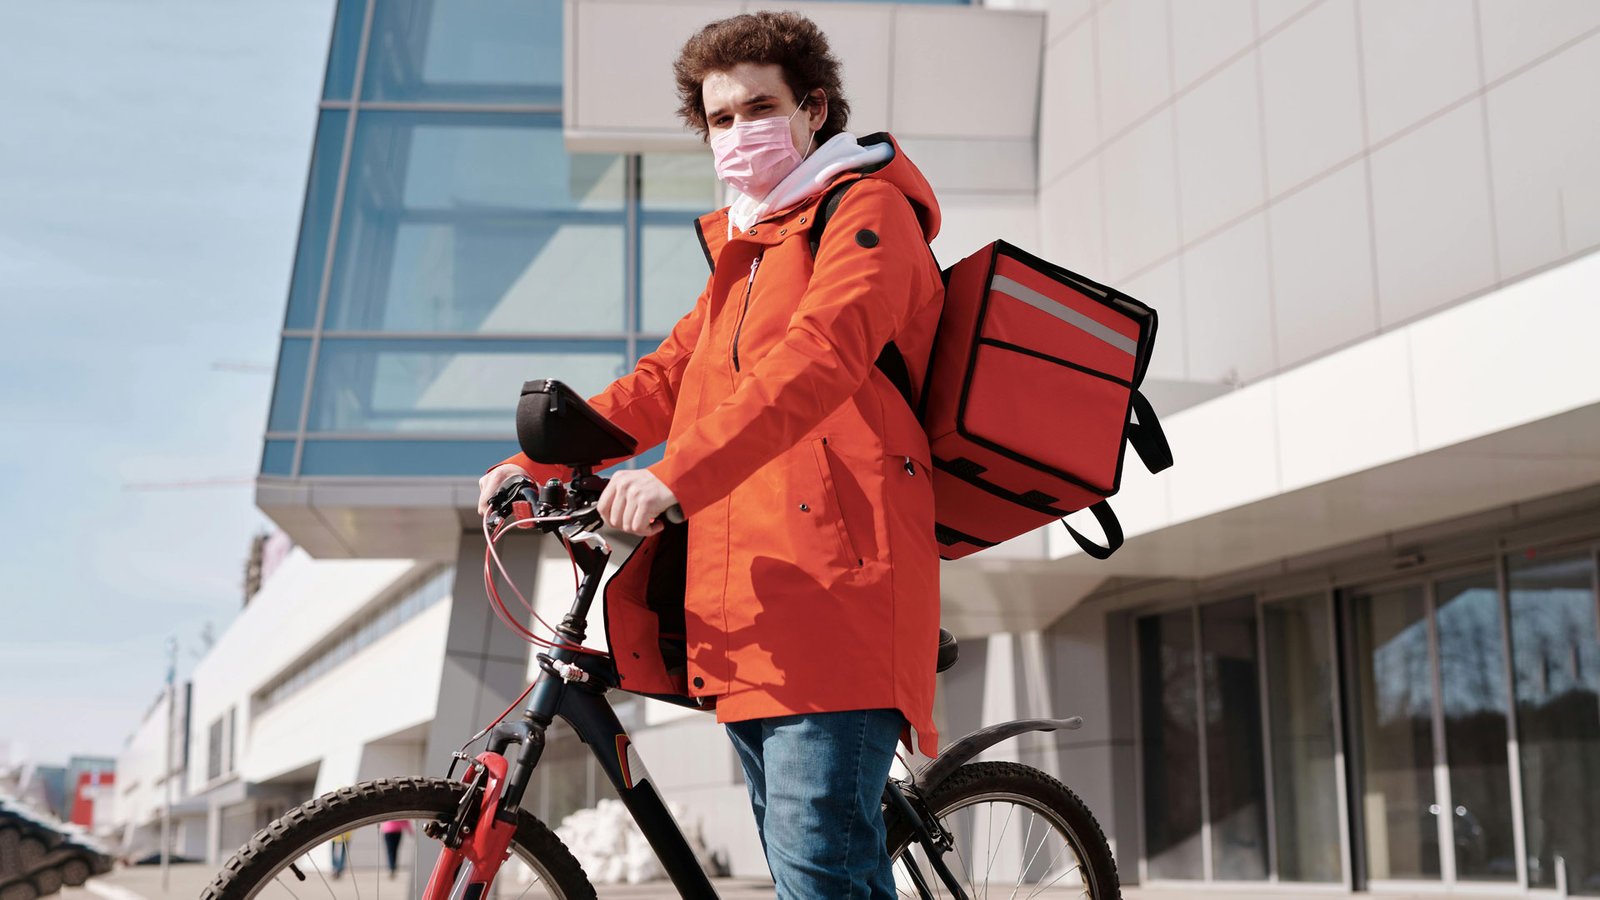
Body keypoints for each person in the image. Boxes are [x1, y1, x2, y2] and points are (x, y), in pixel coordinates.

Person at [479, 11, 943, 898]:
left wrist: (671, 476)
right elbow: (664, 379)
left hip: (837, 591)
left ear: (814, 108)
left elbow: (820, 358)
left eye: (757, 108)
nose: (737, 133)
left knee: (820, 878)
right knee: (807, 871)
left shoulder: (866, 211)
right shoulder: (749, 248)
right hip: (752, 604)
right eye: (719, 119)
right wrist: (535, 463)